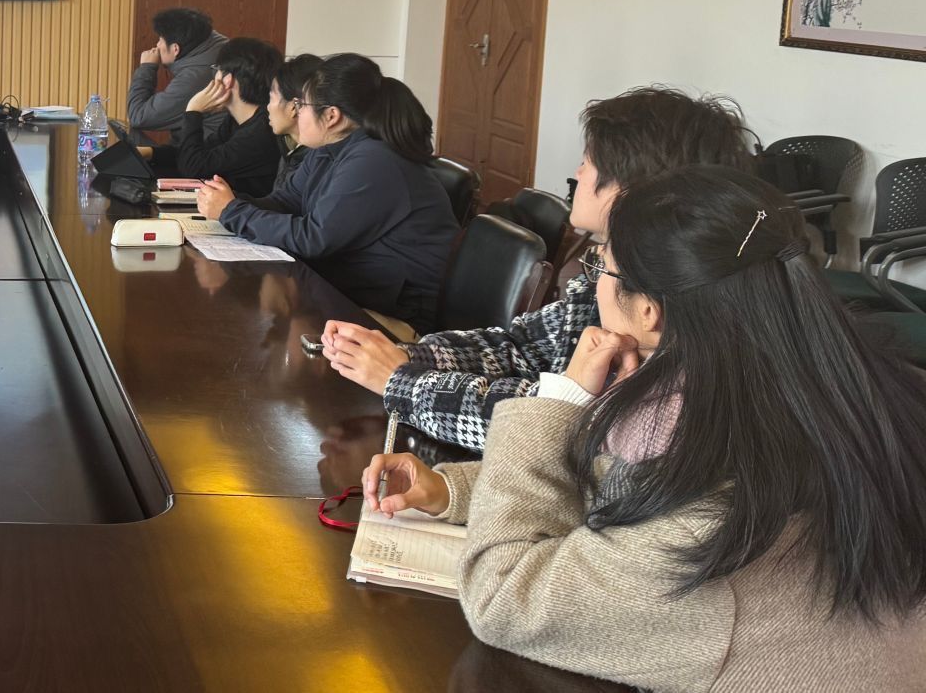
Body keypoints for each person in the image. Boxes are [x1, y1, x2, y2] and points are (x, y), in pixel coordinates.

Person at [362, 168, 926, 689]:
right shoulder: (810, 391)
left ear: (650, 310)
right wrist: (455, 490)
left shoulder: (717, 519)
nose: (593, 285)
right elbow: (632, 491)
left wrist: (562, 397)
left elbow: (504, 597)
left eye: (601, 269)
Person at [322, 86, 753, 451]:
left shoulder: (664, 307)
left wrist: (400, 381)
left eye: (589, 161)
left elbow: (549, 429)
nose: (577, 172)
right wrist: (407, 355)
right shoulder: (609, 270)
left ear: (632, 190)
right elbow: (522, 348)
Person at [197, 53, 455, 332]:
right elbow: (285, 202)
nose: (297, 113)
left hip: (397, 311)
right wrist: (228, 200)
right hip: (352, 287)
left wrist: (231, 211)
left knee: (257, 316)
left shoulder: (374, 160)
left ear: (332, 116)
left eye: (302, 105)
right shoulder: (327, 151)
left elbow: (313, 238)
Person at [173, 36, 284, 197]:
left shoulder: (262, 130)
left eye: (216, 69)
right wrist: (151, 153)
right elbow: (198, 153)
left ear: (228, 80)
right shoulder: (237, 120)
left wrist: (193, 111)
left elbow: (194, 167)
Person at [126, 7, 225, 142]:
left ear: (175, 49)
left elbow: (139, 116)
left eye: (160, 40)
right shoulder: (213, 41)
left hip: (204, 151)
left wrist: (146, 68)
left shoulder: (194, 79)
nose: (157, 45)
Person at [263, 52, 323, 196]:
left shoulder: (319, 158)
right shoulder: (289, 143)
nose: (268, 107)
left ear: (294, 107)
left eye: (271, 98)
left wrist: (232, 204)